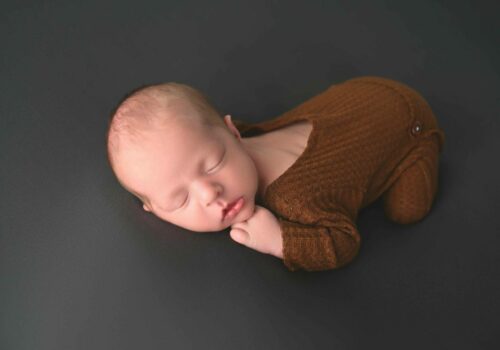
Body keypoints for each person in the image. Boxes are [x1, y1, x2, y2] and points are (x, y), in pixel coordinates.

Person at [106, 76, 445, 271]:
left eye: (213, 165)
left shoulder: (297, 199)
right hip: (364, 91)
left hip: (408, 125)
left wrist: (280, 241)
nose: (210, 193)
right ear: (153, 211)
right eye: (180, 200)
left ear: (233, 132)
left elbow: (344, 242)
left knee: (407, 211)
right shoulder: (238, 138)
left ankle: (423, 147)